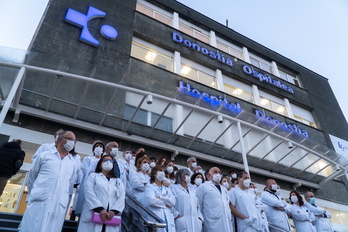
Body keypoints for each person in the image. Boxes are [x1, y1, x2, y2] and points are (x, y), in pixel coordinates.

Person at [19, 131, 77, 232]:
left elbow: (70, 183)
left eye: (74, 141)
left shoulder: (72, 162)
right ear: (60, 139)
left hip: (58, 205)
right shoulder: (44, 156)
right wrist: (35, 193)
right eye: (70, 139)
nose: (72, 142)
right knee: (32, 227)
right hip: (40, 200)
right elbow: (32, 177)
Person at [77, 155, 125, 232]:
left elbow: (121, 197)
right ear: (100, 164)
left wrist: (113, 211)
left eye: (110, 161)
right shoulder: (93, 176)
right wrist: (100, 209)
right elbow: (89, 192)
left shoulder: (117, 181)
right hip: (94, 214)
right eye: (105, 160)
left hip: (111, 217)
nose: (108, 162)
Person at [196, 167, 233, 232]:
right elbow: (198, 205)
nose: (218, 174)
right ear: (208, 175)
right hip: (211, 223)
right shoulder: (203, 187)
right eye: (215, 172)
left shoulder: (224, 189)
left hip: (226, 223)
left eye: (219, 172)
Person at [75, 140, 105, 217]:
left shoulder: (104, 160)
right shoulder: (88, 158)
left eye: (101, 147)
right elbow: (86, 170)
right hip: (88, 182)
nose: (99, 148)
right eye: (97, 146)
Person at [145, 165, 176, 232]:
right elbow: (152, 201)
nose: (162, 173)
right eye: (160, 171)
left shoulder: (167, 189)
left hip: (168, 217)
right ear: (154, 174)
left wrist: (160, 197)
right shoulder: (149, 186)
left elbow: (173, 202)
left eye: (163, 171)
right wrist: (166, 204)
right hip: (157, 216)